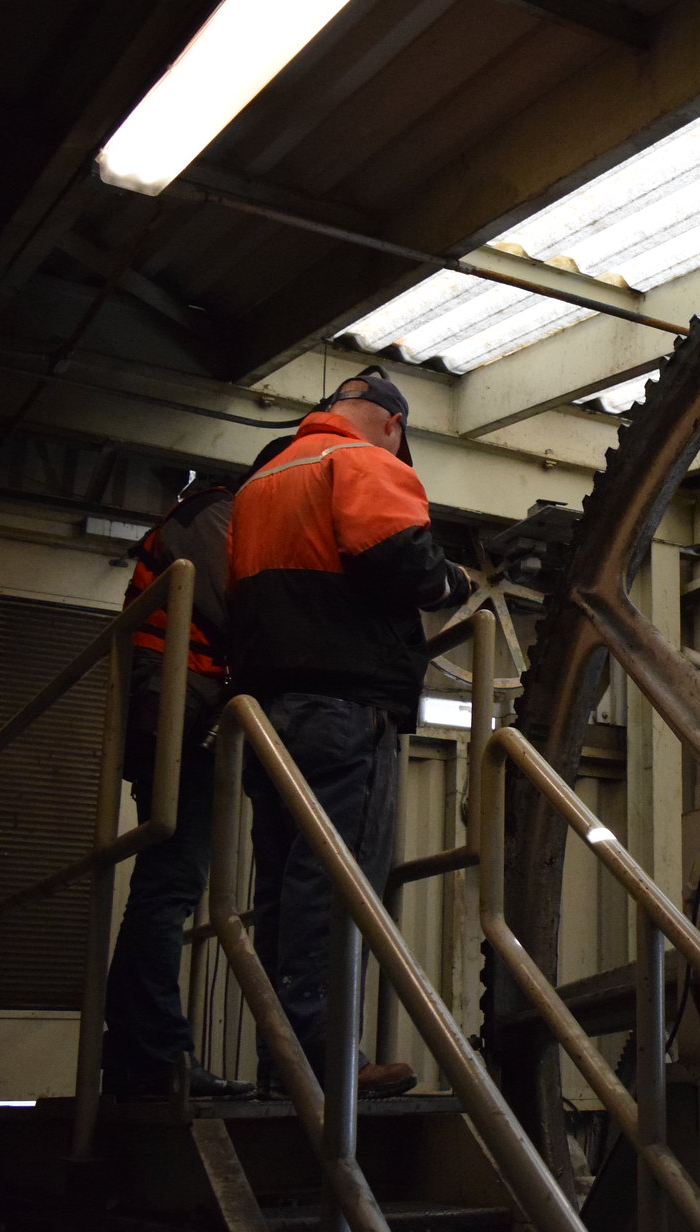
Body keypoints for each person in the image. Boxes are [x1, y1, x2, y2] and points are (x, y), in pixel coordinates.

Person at [226, 366, 469, 1099]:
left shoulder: (264, 479)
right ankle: (328, 1062)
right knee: (336, 883)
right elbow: (402, 562)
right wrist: (453, 581)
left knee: (281, 888)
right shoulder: (363, 462)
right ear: (394, 425)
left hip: (266, 715)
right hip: (343, 710)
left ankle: (285, 1060)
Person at [103, 471, 256, 1099]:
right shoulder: (212, 514)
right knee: (172, 883)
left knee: (168, 881)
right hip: (174, 708)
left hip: (177, 706)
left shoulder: (208, 515)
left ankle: (139, 1054)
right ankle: (155, 1055)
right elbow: (246, 611)